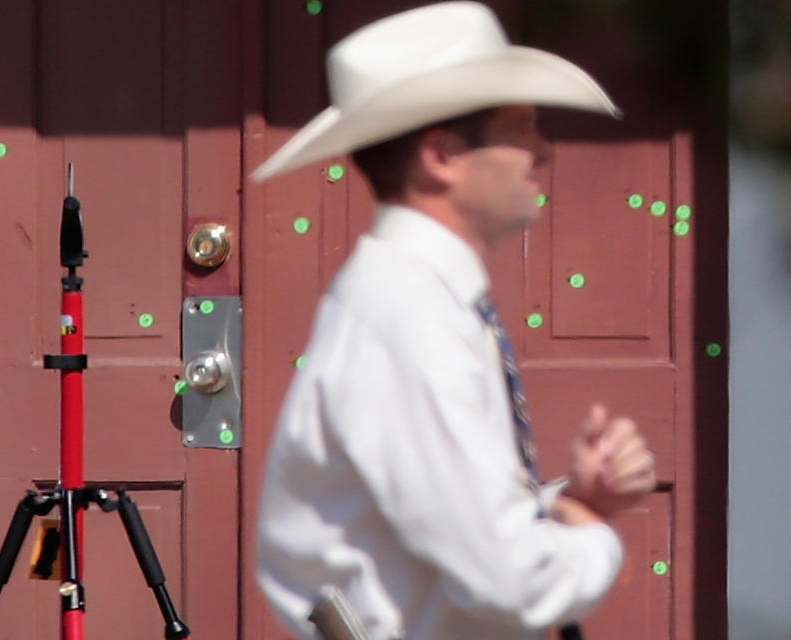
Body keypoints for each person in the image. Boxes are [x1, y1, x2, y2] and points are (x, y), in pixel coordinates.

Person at [251, 3, 657, 639]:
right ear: (440, 155)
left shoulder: (418, 300)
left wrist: (563, 502)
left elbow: (433, 527)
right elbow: (509, 581)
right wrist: (589, 530)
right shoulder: (405, 315)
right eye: (519, 128)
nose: (540, 152)